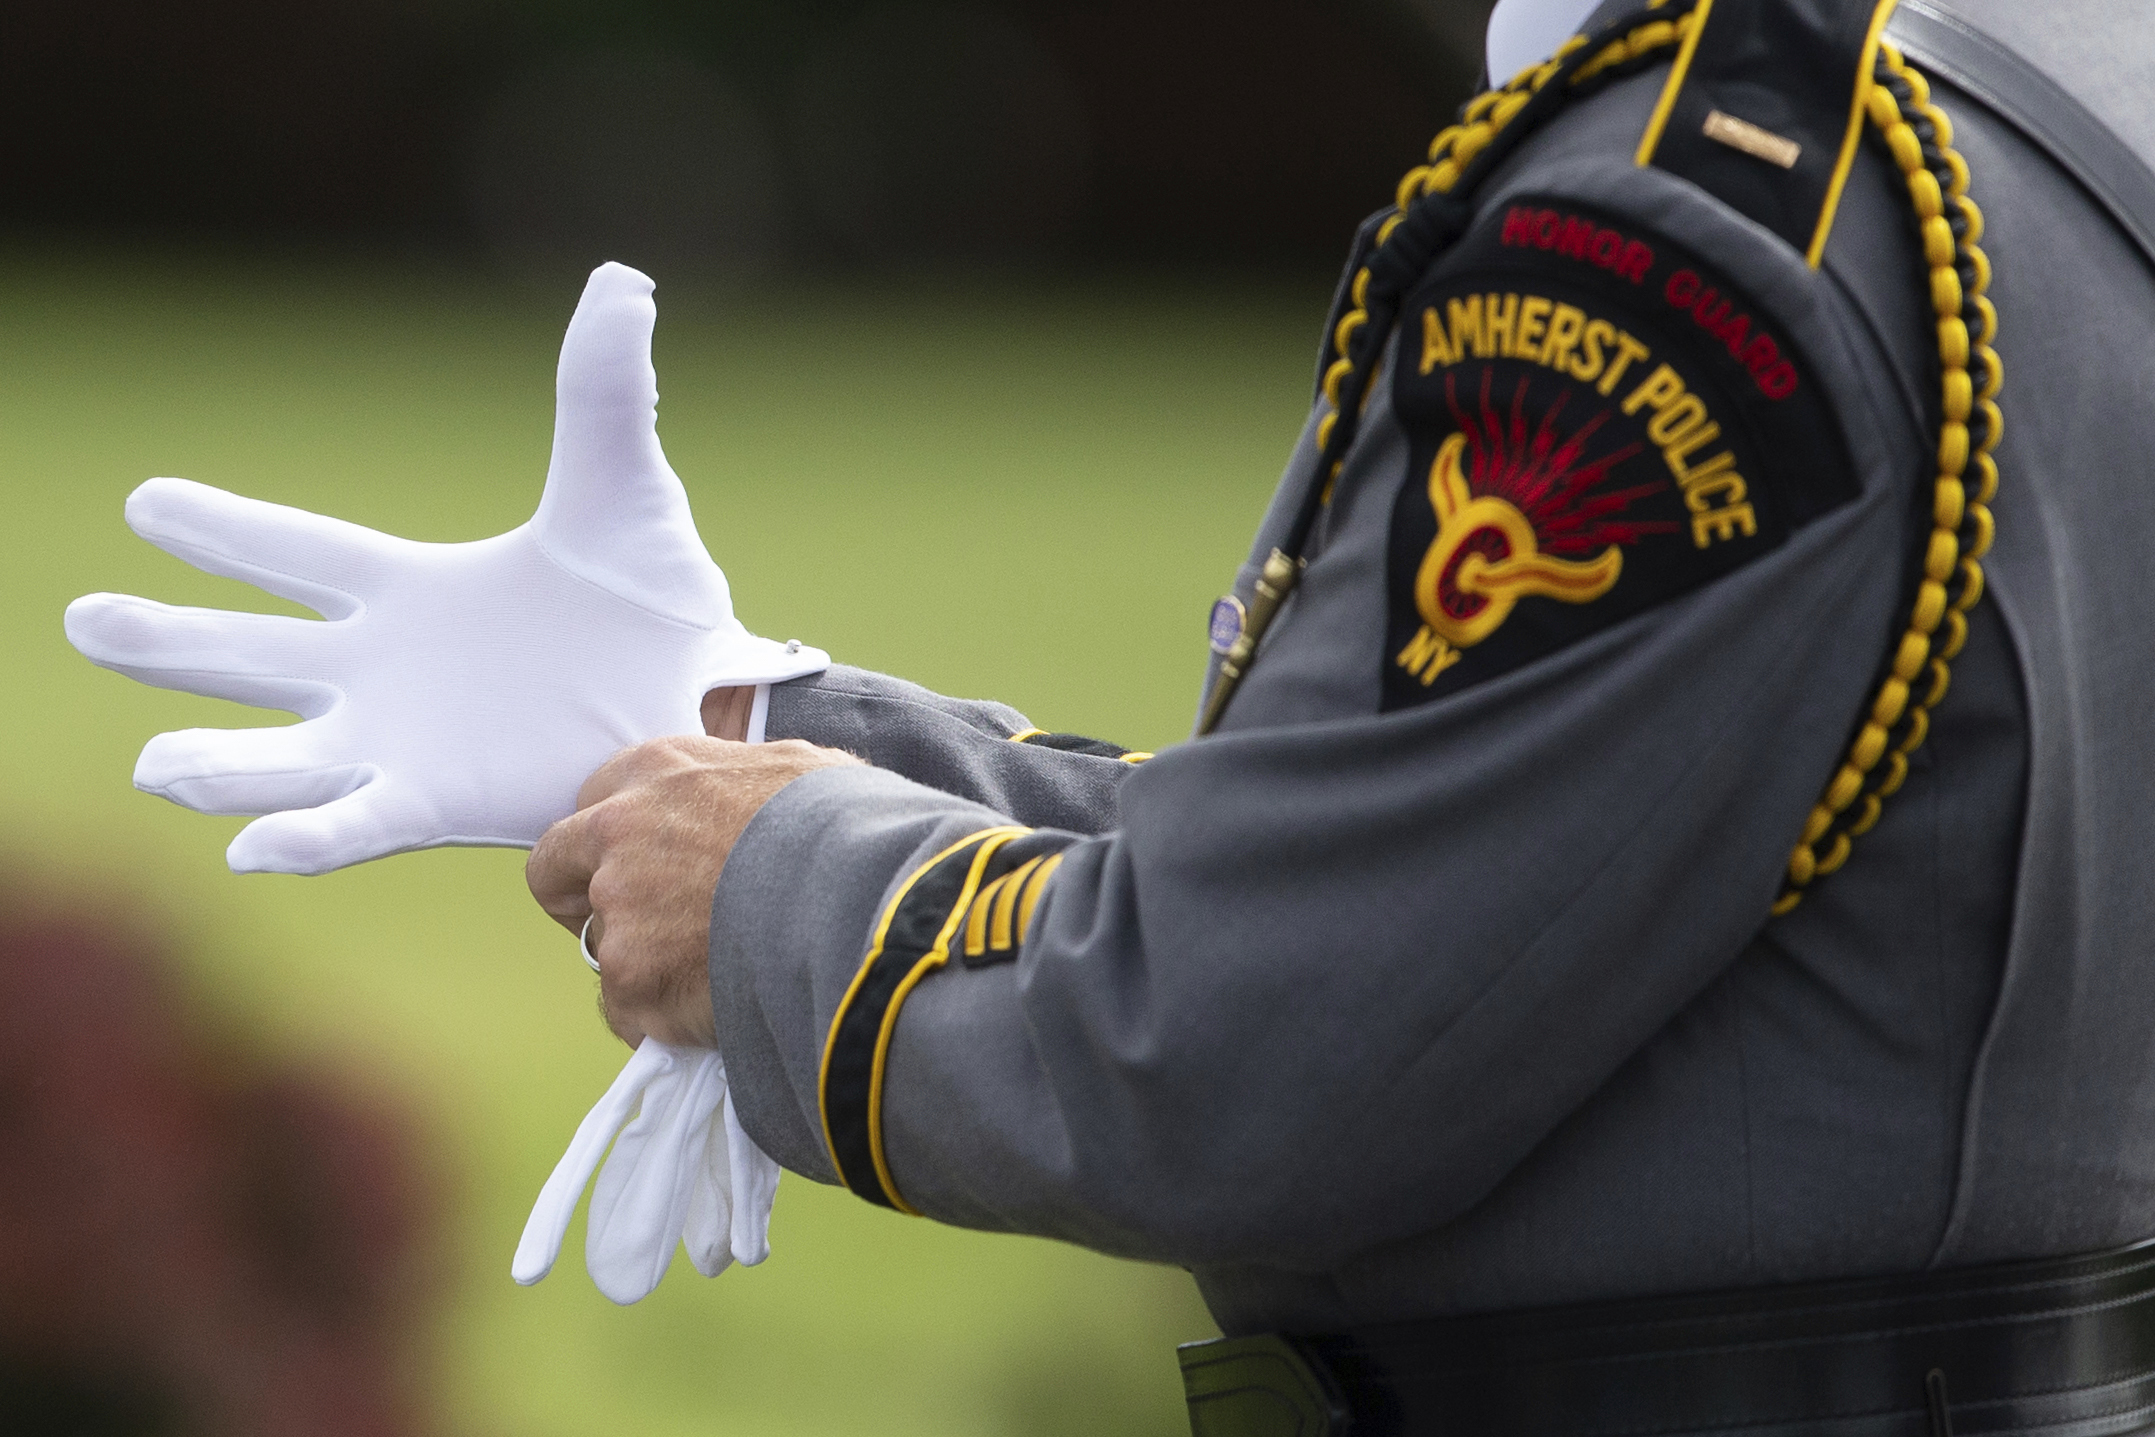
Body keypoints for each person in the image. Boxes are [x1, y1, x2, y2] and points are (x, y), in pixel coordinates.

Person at [532, 0, 2155, 1430]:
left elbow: (1244, 1037)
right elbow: (1486, 864)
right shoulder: (1997, 122)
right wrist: (763, 727)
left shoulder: (1696, 224)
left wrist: (772, 888)